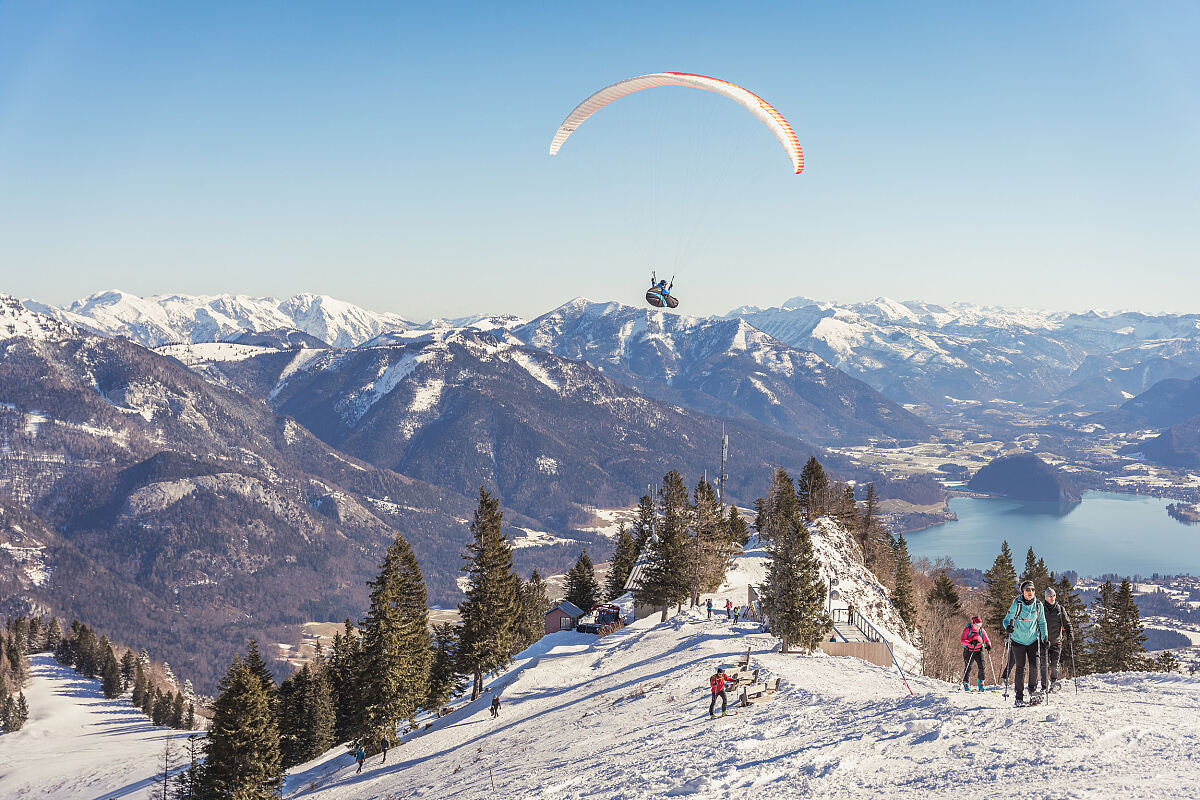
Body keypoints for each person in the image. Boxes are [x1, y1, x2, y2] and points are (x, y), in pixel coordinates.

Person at [1003, 580, 1048, 707]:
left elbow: (1042, 623)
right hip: (1018, 641)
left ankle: (1032, 691)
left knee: (1034, 666)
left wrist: (1045, 637)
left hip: (1032, 640)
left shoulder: (1038, 606)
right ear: (1023, 591)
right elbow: (1006, 620)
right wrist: (1008, 627)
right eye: (1027, 589)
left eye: (1032, 590)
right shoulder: (1017, 604)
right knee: (1020, 669)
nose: (1030, 592)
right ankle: (1019, 697)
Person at [1040, 586, 1072, 693]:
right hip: (1044, 641)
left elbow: (1067, 623)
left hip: (1057, 641)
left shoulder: (1060, 609)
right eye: (1050, 596)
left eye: (1053, 596)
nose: (1052, 597)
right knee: (1044, 665)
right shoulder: (1041, 608)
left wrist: (1070, 633)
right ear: (1046, 598)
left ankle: (1053, 683)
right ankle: (1044, 686)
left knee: (1054, 665)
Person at [959, 616, 992, 691]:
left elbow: (987, 639)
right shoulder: (968, 629)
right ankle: (966, 682)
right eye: (977, 625)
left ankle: (981, 682)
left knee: (982, 666)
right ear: (973, 624)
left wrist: (988, 645)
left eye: (980, 625)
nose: (978, 627)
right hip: (969, 651)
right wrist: (970, 642)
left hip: (979, 650)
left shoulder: (981, 630)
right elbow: (962, 640)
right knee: (968, 667)